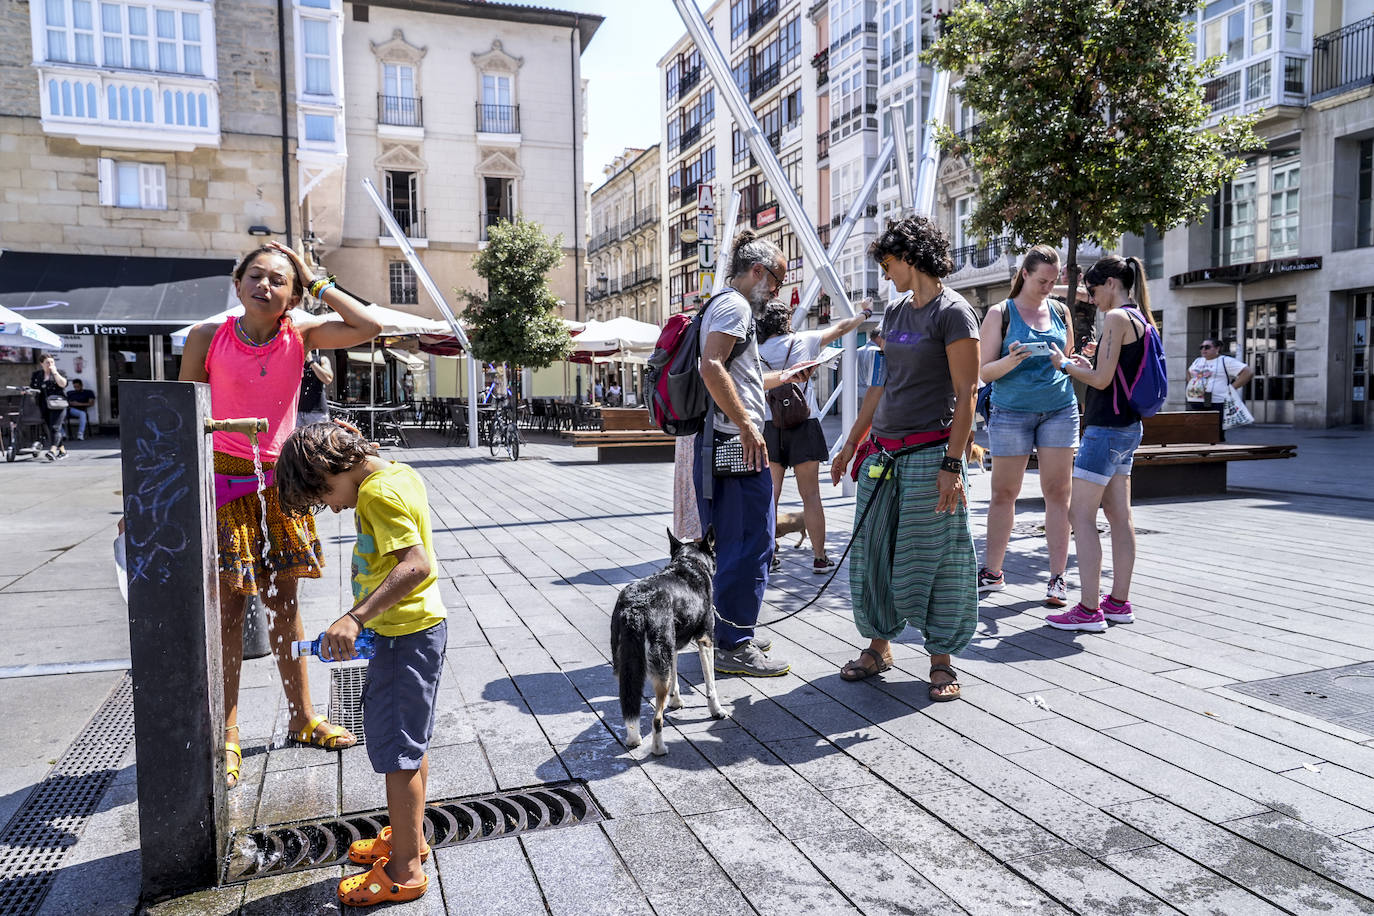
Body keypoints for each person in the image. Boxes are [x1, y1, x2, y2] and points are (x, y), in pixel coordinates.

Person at [179, 240, 383, 788]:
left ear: (292, 295)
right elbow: (180, 421)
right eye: (256, 276)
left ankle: (301, 718)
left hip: (280, 481)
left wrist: (317, 280)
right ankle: (227, 732)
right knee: (227, 608)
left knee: (284, 601)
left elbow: (367, 326)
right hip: (225, 482)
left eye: (278, 280)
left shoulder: (303, 334)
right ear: (238, 282)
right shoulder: (207, 337)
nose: (265, 286)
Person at [275, 423, 447, 906]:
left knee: (397, 750)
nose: (331, 506)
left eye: (325, 494)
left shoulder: (374, 494)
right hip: (413, 629)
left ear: (332, 467)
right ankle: (407, 837)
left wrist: (355, 617)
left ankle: (404, 872)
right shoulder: (398, 473)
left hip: (404, 637)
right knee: (408, 743)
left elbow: (416, 564)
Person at [829, 215, 979, 701]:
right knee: (874, 554)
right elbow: (880, 385)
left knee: (937, 558)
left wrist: (952, 465)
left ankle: (941, 660)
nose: (885, 273)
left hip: (930, 453)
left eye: (888, 263)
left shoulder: (953, 313)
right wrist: (850, 443)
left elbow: (968, 393)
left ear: (911, 258)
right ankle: (879, 647)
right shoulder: (895, 313)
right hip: (883, 457)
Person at [696, 229, 813, 677]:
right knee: (751, 543)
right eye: (777, 282)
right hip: (734, 444)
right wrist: (747, 423)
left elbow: (731, 374)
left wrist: (778, 380)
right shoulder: (735, 305)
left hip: (724, 442)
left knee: (735, 542)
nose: (777, 293)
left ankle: (730, 628)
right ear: (758, 272)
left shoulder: (721, 303)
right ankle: (734, 645)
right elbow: (712, 367)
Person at [1047, 255, 1156, 632]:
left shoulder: (1116, 317)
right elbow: (1115, 371)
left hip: (1105, 428)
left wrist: (1063, 364)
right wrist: (1091, 360)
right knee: (1120, 516)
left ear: (1110, 283)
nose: (1092, 299)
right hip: (1129, 428)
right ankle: (1119, 603)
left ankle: (1089, 609)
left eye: (1092, 291)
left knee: (1080, 515)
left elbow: (1100, 381)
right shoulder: (1143, 317)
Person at [976, 245, 1078, 607]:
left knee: (1058, 494)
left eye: (1054, 281)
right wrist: (1012, 359)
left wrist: (1071, 360)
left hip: (1059, 409)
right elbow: (984, 371)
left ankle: (1058, 577)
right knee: (1004, 492)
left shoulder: (1061, 310)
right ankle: (992, 571)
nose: (1049, 287)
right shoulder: (999, 313)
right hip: (1011, 410)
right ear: (1024, 274)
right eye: (1042, 281)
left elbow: (1066, 357)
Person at [756, 297, 872, 573]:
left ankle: (768, 556)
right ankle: (820, 557)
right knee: (810, 495)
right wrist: (863, 314)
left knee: (770, 495)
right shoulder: (804, 340)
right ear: (786, 320)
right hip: (804, 424)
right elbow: (842, 328)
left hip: (769, 427)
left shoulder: (756, 350)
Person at [1186, 338, 1253, 439]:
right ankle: (1201, 451)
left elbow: (1248, 372)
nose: (1203, 350)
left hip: (1217, 402)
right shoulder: (1198, 361)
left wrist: (1231, 388)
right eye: (1201, 347)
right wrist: (1192, 385)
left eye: (1207, 347)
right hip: (1197, 400)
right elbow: (1189, 372)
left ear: (1217, 348)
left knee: (1215, 432)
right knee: (1198, 431)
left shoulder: (1225, 360)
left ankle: (1216, 451)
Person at [30, 354, 67, 460]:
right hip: (43, 405)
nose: (50, 364)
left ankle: (52, 451)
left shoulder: (60, 372)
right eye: (47, 362)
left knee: (55, 427)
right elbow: (33, 388)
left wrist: (55, 372)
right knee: (51, 429)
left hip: (58, 404)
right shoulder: (37, 375)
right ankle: (63, 450)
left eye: (52, 362)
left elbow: (63, 384)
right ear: (42, 363)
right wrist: (26, 391)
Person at [297, 351, 333, 428]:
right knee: (295, 439)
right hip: (296, 412)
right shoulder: (293, 360)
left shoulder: (322, 359)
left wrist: (311, 361)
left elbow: (328, 379)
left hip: (317, 412)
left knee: (319, 439)